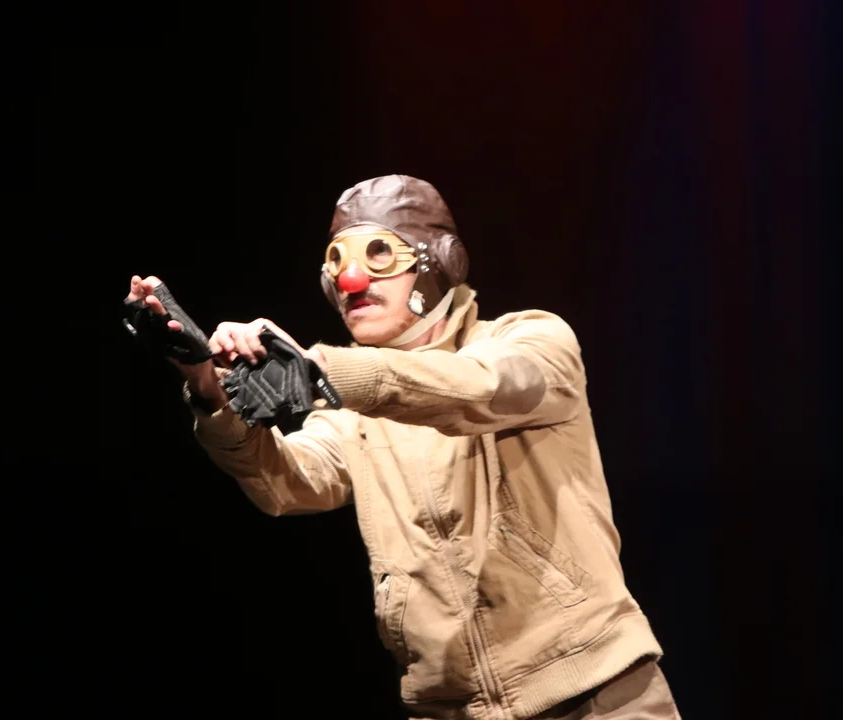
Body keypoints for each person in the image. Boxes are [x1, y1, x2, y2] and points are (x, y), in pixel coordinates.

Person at [125, 175, 681, 719]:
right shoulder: (350, 411)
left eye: (379, 254)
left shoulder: (533, 340)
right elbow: (286, 484)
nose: (352, 280)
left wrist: (323, 368)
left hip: (595, 691)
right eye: (338, 262)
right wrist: (209, 387)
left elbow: (476, 388)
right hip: (448, 707)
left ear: (439, 262)